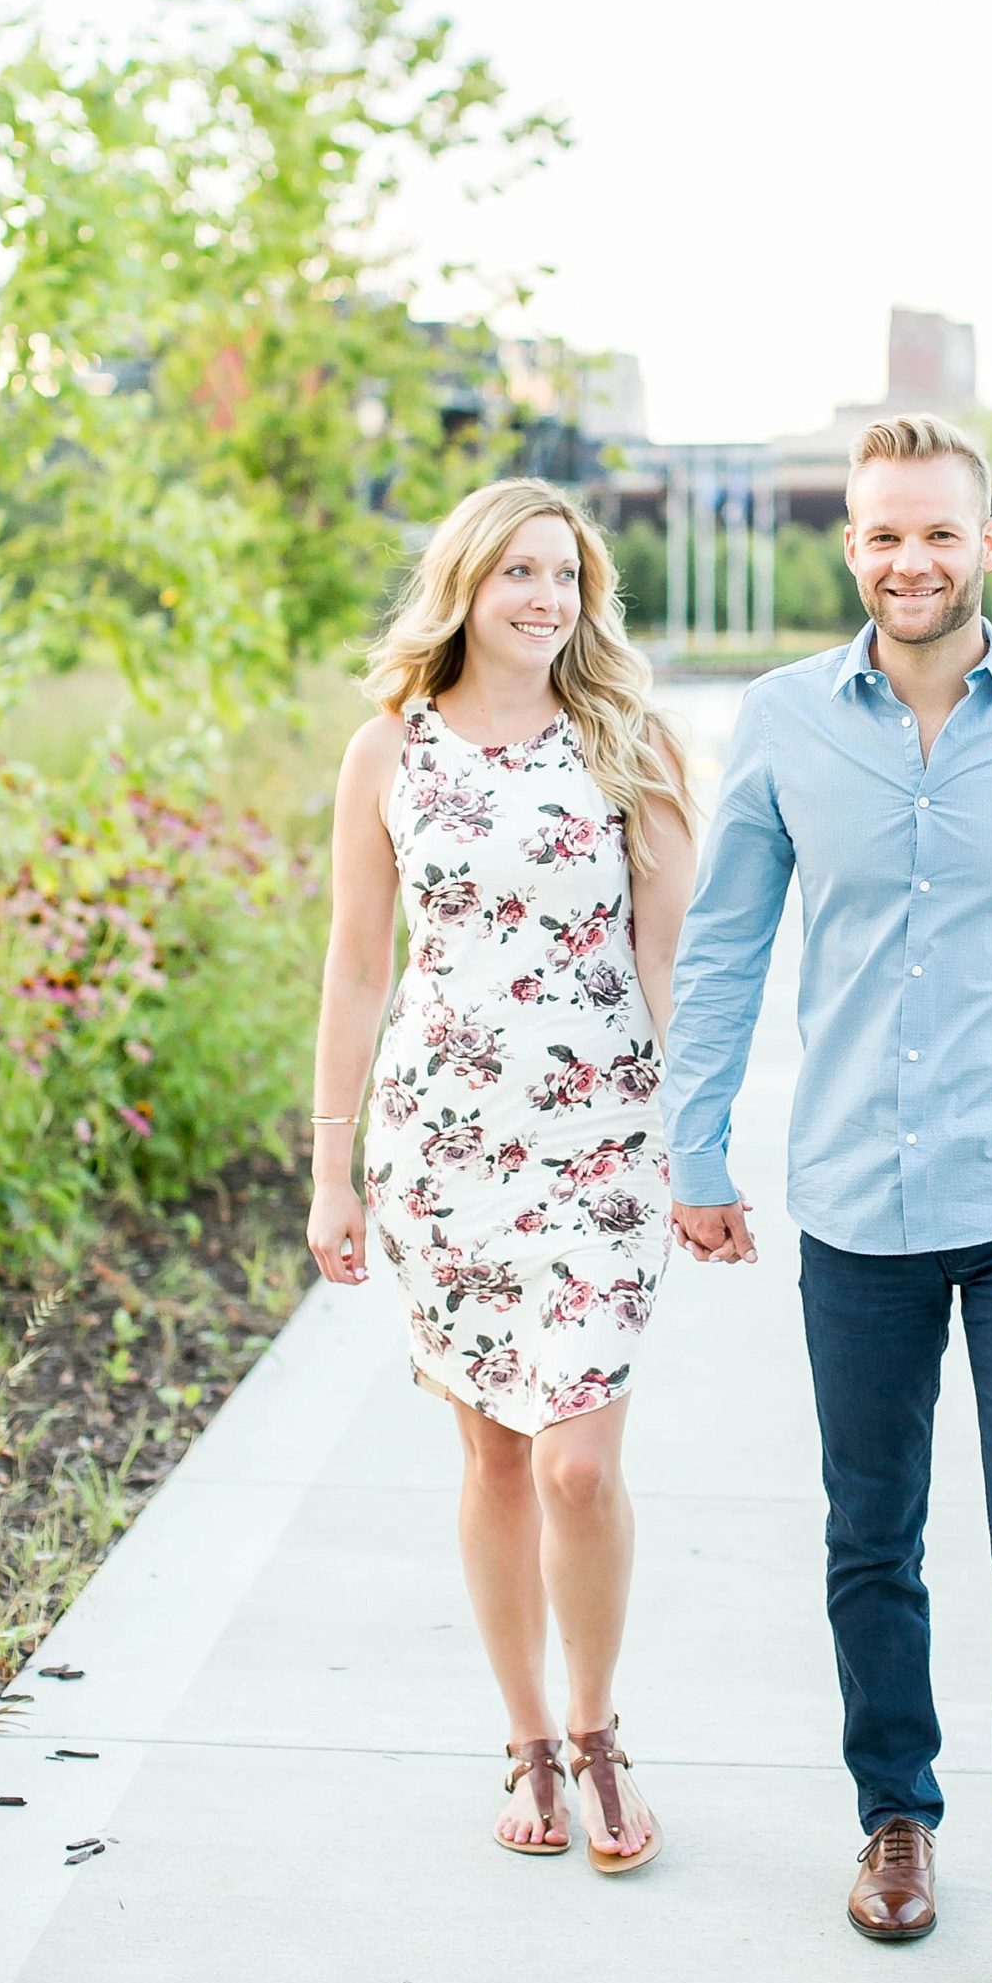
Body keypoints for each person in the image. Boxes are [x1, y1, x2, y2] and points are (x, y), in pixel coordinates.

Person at [660, 413, 992, 1983]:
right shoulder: (777, 723)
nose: (912, 560)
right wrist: (699, 1151)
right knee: (869, 1540)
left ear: (990, 544)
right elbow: (724, 952)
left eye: (940, 533)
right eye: (884, 535)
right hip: (853, 1208)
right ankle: (896, 1819)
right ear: (850, 548)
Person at [306, 478, 696, 1872]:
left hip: (598, 1150)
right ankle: (527, 1739)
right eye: (519, 572)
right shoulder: (388, 753)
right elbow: (361, 967)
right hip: (442, 1153)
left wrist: (691, 1149)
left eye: (566, 575)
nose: (545, 597)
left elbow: (672, 964)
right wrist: (332, 1170)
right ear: (464, 584)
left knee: (581, 1462)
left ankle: (598, 1735)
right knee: (492, 1451)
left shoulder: (626, 741)